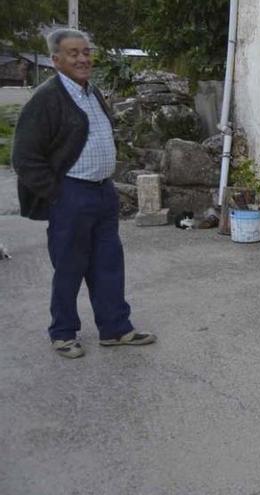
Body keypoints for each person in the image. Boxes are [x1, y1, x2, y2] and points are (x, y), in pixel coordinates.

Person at [12, 28, 156, 359]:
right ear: (56, 59)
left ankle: (115, 328)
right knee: (69, 266)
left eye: (86, 52)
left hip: (103, 192)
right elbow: (25, 157)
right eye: (74, 53)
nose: (83, 59)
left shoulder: (92, 92)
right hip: (71, 194)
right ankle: (63, 333)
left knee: (108, 262)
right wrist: (56, 193)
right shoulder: (46, 99)